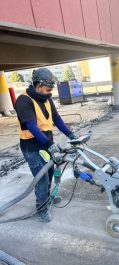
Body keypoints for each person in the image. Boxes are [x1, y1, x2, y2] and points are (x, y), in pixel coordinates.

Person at [15, 68, 77, 222]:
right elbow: (32, 127)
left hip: (45, 143)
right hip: (32, 146)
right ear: (37, 86)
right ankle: (41, 208)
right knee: (41, 178)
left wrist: (71, 135)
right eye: (48, 89)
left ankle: (46, 198)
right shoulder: (24, 101)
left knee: (49, 173)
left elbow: (57, 119)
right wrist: (49, 143)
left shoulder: (46, 99)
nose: (50, 92)